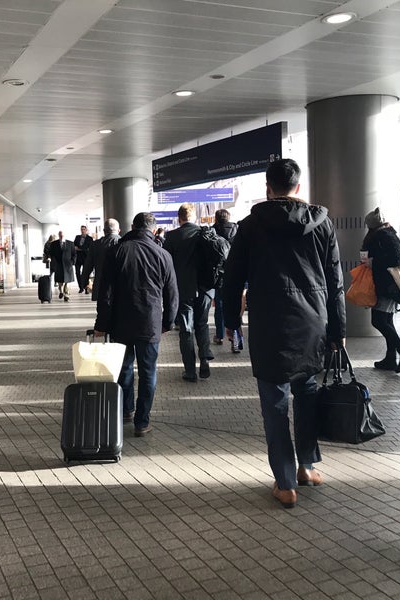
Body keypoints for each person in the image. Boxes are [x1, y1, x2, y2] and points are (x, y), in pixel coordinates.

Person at [223, 158, 346, 509]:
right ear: (298, 188)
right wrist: (338, 330)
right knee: (306, 393)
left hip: (269, 323)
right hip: (312, 324)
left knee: (274, 404)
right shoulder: (322, 225)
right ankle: (306, 467)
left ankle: (285, 483)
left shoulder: (250, 226)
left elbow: (232, 278)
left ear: (268, 187)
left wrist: (232, 321)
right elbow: (335, 283)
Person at [94, 212, 178, 437]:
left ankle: (126, 410)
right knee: (148, 372)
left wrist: (102, 323)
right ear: (153, 228)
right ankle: (142, 422)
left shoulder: (116, 251)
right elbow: (172, 293)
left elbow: (106, 293)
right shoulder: (163, 255)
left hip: (120, 323)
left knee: (124, 369)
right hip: (149, 323)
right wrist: (168, 322)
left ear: (132, 226)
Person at [361, 208, 400, 373]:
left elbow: (396, 258)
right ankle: (390, 358)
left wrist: (374, 262)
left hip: (388, 286)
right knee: (387, 321)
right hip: (389, 285)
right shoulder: (387, 233)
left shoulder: (383, 235)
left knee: (378, 321)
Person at [163, 203, 215, 382]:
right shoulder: (205, 233)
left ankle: (190, 371)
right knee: (202, 324)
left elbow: (167, 265)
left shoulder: (172, 236)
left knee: (186, 329)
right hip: (206, 288)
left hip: (183, 289)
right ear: (195, 217)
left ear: (179, 218)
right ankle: (205, 358)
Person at [212, 208, 239, 348]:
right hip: (235, 273)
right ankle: (236, 339)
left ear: (216, 218)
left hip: (217, 275)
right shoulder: (237, 229)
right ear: (228, 217)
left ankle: (219, 335)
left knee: (219, 307)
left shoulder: (212, 232)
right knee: (236, 306)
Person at [81, 218, 120, 301]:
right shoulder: (124, 243)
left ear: (104, 231)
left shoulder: (95, 245)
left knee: (103, 312)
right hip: (120, 287)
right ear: (119, 230)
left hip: (100, 286)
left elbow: (88, 265)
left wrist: (85, 282)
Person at [50, 231, 76, 301]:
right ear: (58, 235)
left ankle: (66, 295)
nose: (61, 236)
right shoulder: (54, 244)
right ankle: (61, 292)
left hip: (68, 265)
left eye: (62, 235)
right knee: (60, 281)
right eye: (60, 235)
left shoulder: (70, 243)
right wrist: (53, 263)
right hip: (59, 265)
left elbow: (74, 254)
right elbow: (51, 254)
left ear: (64, 236)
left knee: (67, 281)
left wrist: (72, 262)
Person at [73, 225, 93, 293]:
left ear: (86, 230)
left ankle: (86, 287)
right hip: (78, 258)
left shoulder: (90, 238)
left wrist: (79, 248)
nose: (82, 230)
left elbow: (88, 248)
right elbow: (74, 246)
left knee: (85, 273)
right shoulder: (77, 237)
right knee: (77, 273)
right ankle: (81, 287)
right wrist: (81, 248)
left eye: (84, 229)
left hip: (86, 258)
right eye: (81, 229)